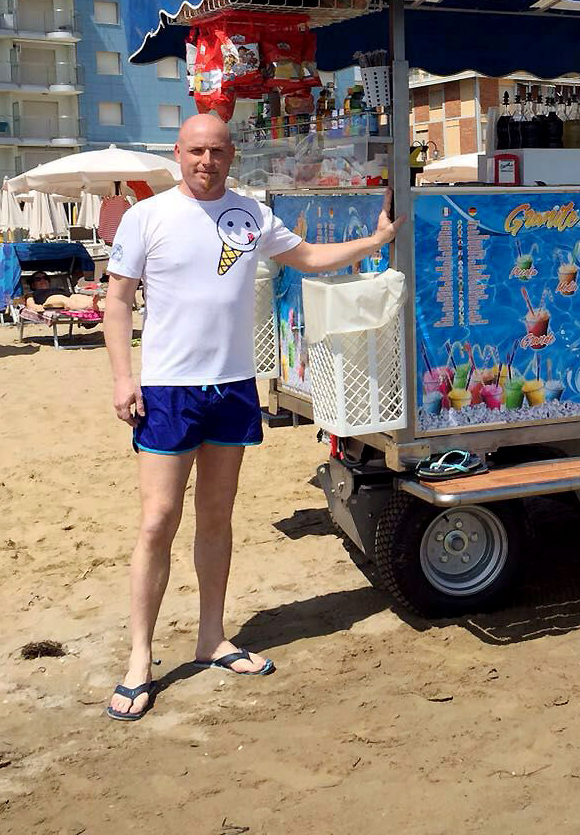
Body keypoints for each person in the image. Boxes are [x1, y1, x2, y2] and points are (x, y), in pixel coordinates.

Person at [103, 113, 399, 721]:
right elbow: (117, 300)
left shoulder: (252, 214)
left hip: (233, 386)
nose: (205, 161)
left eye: (216, 151)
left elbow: (310, 257)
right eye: (194, 151)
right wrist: (122, 378)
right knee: (158, 520)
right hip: (166, 389)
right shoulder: (146, 216)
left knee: (217, 518)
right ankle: (140, 658)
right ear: (177, 154)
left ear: (230, 155)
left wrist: (374, 242)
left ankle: (212, 637)